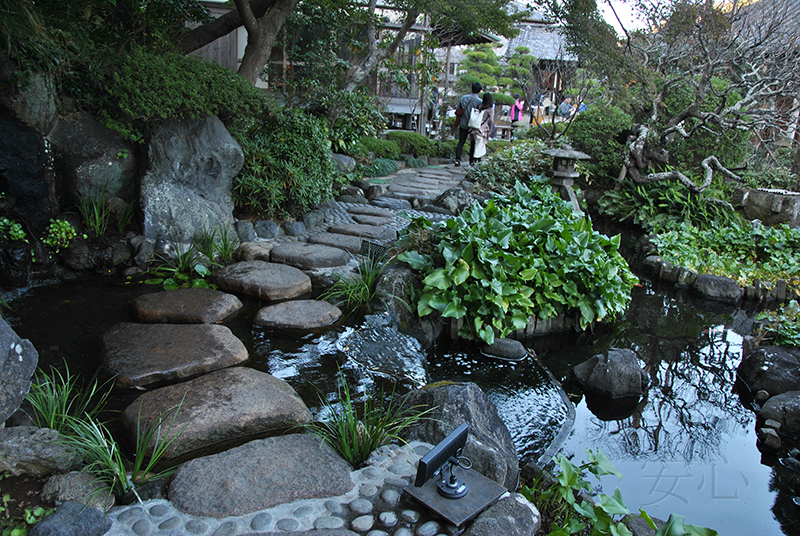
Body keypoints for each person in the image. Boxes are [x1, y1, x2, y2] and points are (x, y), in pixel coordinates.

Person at [454, 82, 483, 166]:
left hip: (463, 123)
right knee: (473, 143)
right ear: (479, 91)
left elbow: (457, 108)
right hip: (473, 125)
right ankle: (471, 161)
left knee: (461, 142)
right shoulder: (479, 101)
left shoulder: (464, 98)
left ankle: (457, 159)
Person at [469, 92, 494, 166]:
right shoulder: (490, 109)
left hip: (474, 128)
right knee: (479, 147)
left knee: (473, 145)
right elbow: (491, 121)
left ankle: (472, 161)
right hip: (481, 130)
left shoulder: (480, 106)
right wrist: (490, 131)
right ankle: (476, 162)